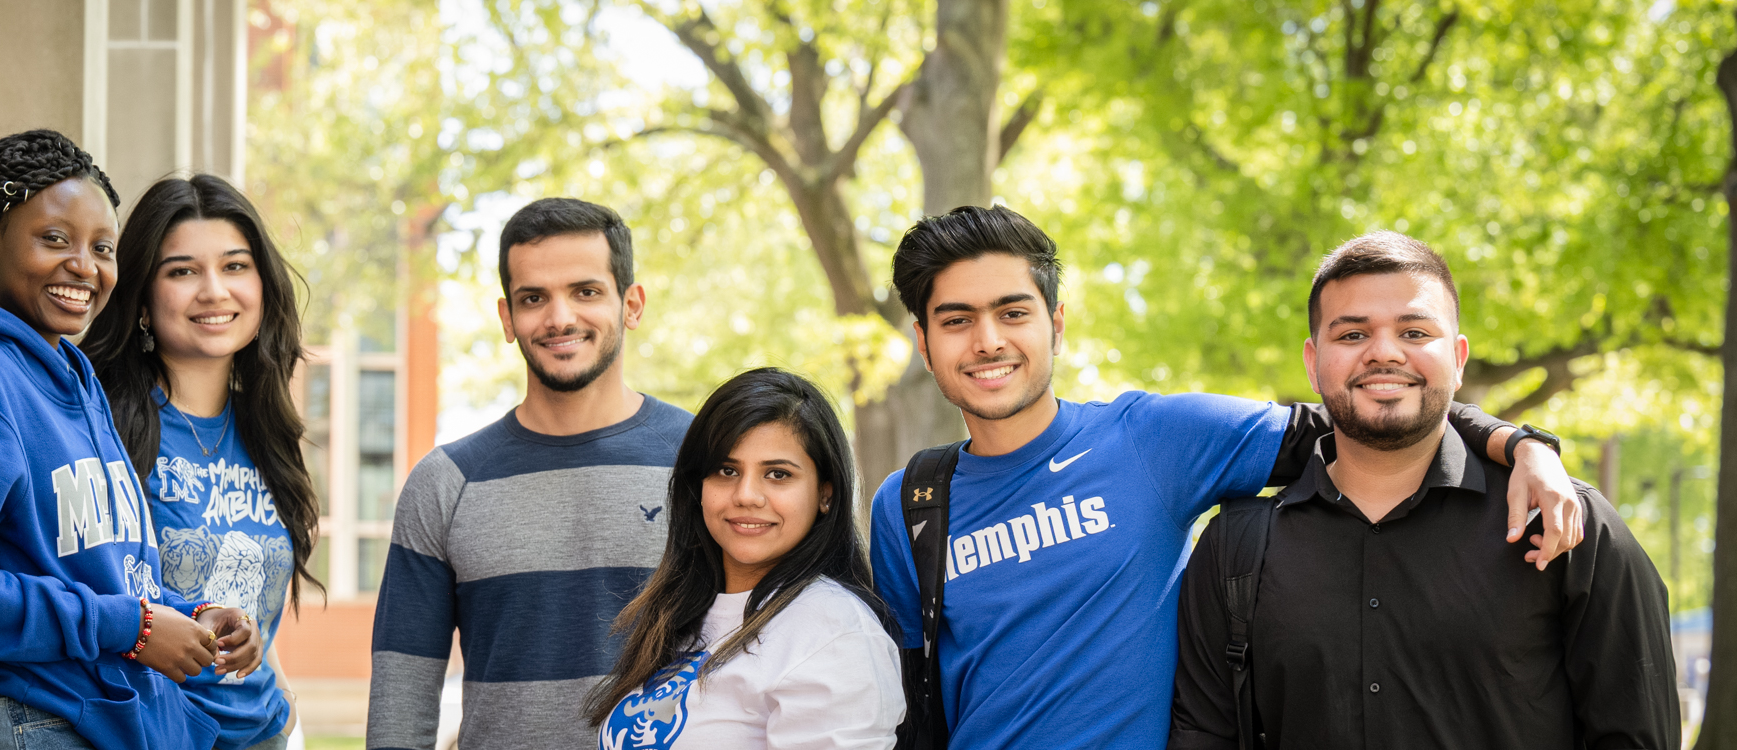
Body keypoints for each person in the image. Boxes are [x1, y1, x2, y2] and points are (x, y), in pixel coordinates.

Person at [865, 206, 1588, 750]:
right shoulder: (909, 505)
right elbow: (904, 700)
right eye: (956, 320)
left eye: (1012, 312)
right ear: (924, 343)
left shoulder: (1153, 439)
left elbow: (1364, 406)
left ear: (1055, 324)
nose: (988, 340)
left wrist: (1521, 443)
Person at [1169, 233, 1676, 749]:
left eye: (1414, 332)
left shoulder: (1567, 523)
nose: (1384, 353)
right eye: (1351, 336)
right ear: (1312, 361)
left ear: (1457, 359)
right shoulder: (1234, 550)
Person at [0, 131, 245, 750]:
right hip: (31, 721)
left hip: (111, 720)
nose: (85, 267)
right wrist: (135, 626)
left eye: (103, 248)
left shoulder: (76, 377)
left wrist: (190, 616)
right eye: (55, 240)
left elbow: (109, 572)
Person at [368, 198, 696, 750]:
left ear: (631, 304)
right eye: (534, 298)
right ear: (506, 317)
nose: (559, 317)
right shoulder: (446, 483)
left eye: (586, 292)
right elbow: (402, 698)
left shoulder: (703, 461)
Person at [82, 174, 318, 750]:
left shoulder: (267, 432)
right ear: (142, 296)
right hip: (147, 732)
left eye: (235, 267)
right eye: (183, 271)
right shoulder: (98, 424)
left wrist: (287, 712)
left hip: (264, 734)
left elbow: (256, 607)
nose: (214, 291)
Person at [586, 368, 905, 750]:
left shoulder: (834, 632)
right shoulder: (679, 615)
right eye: (727, 470)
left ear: (825, 494)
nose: (746, 495)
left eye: (777, 474)